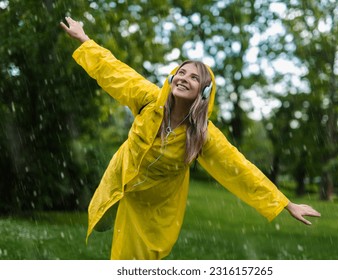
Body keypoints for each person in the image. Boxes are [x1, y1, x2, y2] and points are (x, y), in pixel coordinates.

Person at [60, 16, 321, 260]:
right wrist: (85, 40)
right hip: (123, 181)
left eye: (194, 77)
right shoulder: (149, 100)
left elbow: (240, 170)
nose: (184, 78)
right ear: (172, 78)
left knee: (137, 264)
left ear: (204, 91)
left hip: (157, 206)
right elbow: (115, 72)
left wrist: (286, 204)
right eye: (181, 73)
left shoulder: (204, 136)